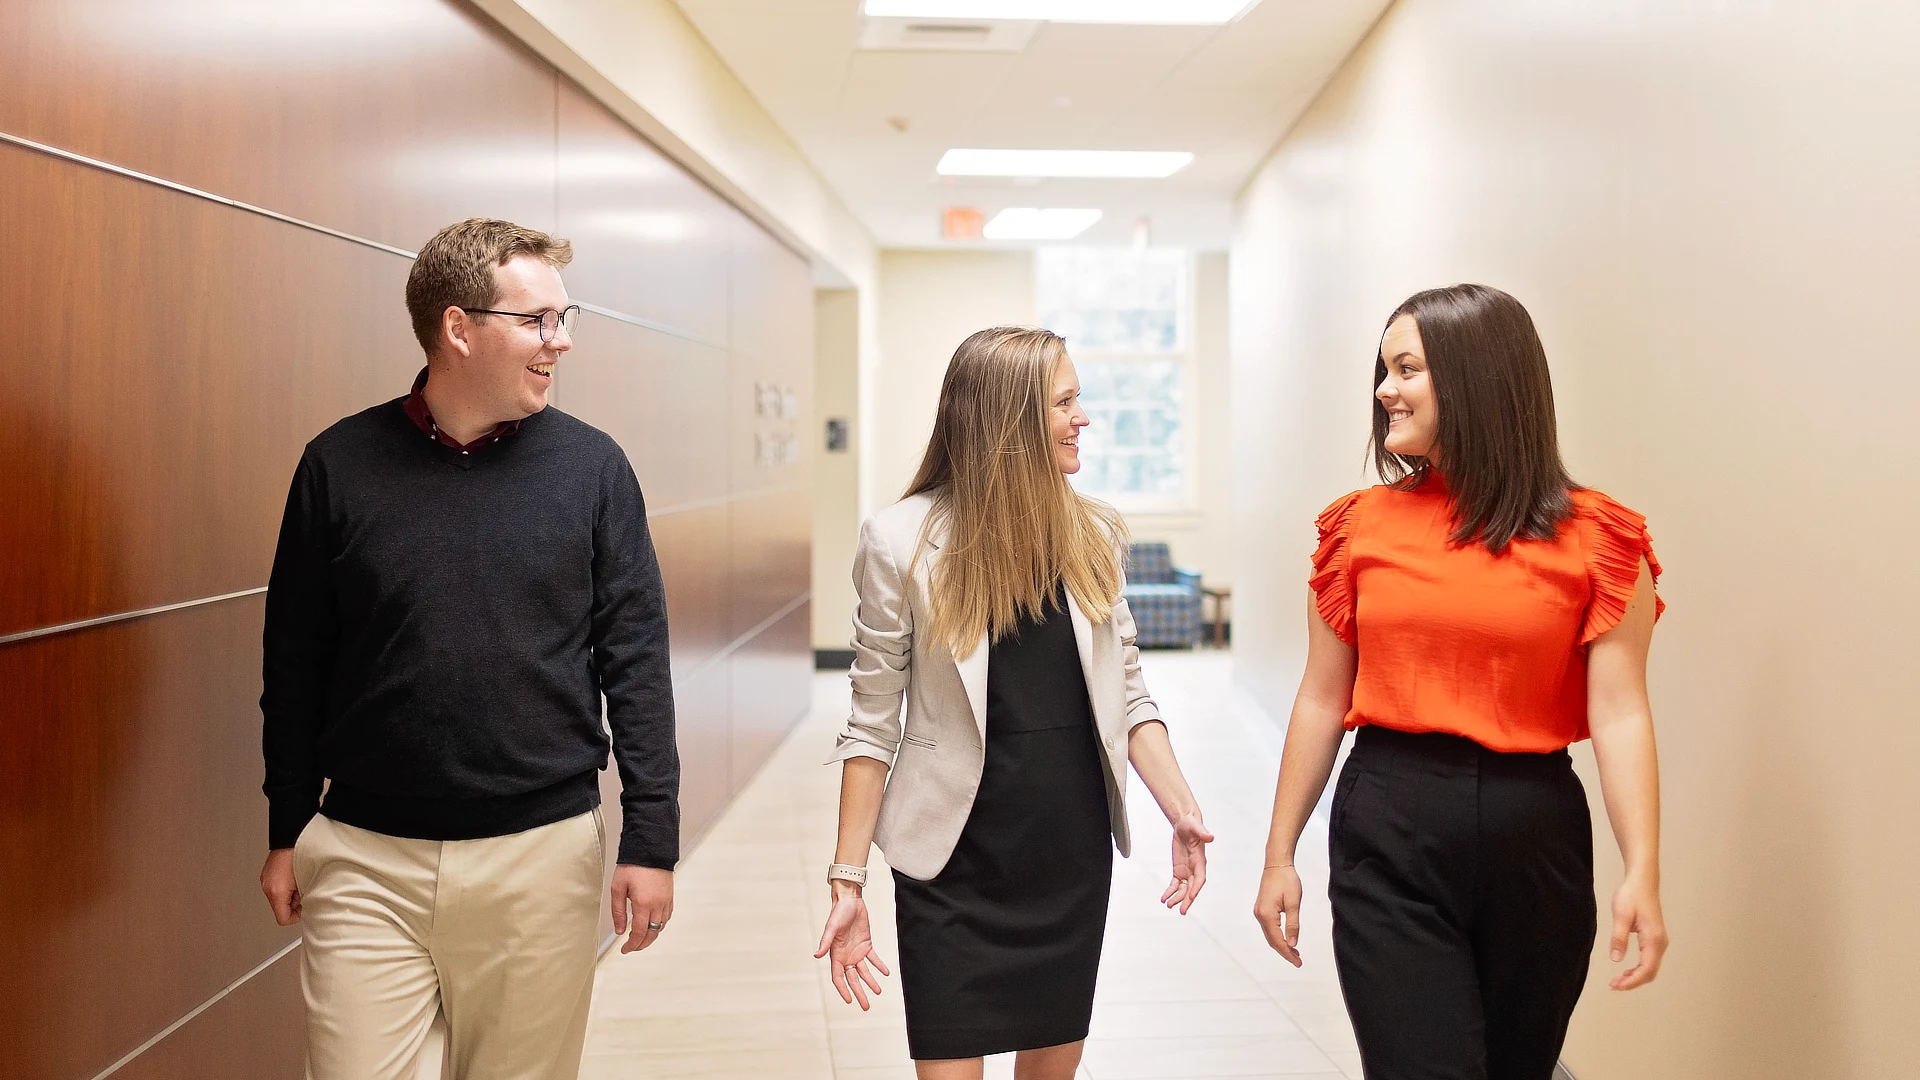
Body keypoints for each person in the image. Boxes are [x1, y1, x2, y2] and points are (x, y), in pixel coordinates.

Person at [257, 218, 679, 1080]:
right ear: (459, 327)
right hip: (365, 857)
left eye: (565, 319)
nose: (559, 342)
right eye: (537, 321)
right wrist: (285, 823)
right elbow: (294, 662)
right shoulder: (337, 466)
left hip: (541, 856)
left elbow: (635, 661)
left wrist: (651, 839)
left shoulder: (594, 470)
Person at [1252, 284, 1669, 1079]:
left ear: (1475, 377)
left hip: (1535, 834)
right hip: (1390, 826)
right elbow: (1319, 697)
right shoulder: (1358, 528)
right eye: (1383, 369)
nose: (1383, 391)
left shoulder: (1599, 538)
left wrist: (1642, 869)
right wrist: (1280, 854)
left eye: (1405, 368)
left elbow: (1620, 717)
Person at [814, 326, 1214, 1080]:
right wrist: (847, 876)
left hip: (1066, 856)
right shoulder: (900, 541)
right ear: (1010, 421)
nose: (1082, 419)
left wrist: (1181, 807)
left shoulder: (1093, 534)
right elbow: (871, 725)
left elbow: (1130, 693)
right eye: (1065, 402)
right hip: (951, 866)